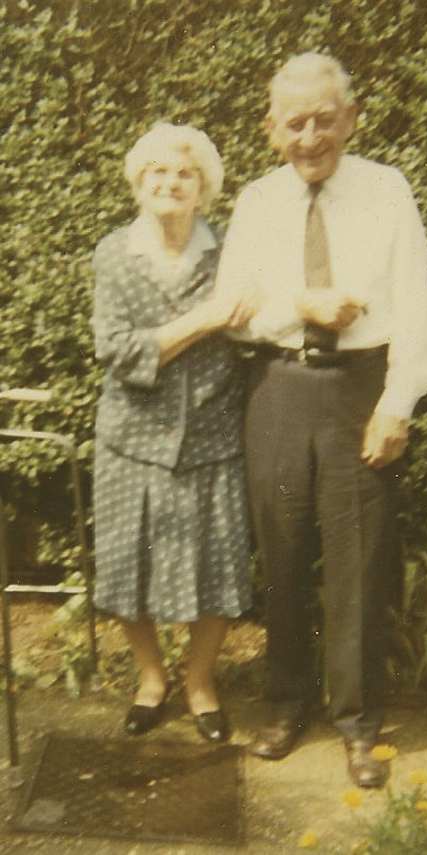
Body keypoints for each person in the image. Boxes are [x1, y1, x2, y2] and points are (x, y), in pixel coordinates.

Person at [216, 53, 427, 786]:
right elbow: (236, 315)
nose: (310, 136)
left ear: (351, 119)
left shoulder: (386, 190)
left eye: (323, 119)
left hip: (358, 391)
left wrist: (396, 405)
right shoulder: (254, 201)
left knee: (359, 562)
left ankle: (357, 722)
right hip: (277, 388)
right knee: (280, 557)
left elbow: (416, 307)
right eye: (294, 123)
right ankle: (284, 704)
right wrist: (299, 306)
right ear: (271, 129)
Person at [92, 122, 255, 742]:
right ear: (138, 182)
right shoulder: (113, 253)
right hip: (131, 439)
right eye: (157, 172)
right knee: (128, 565)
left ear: (203, 187)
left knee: (215, 566)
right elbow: (117, 348)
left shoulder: (229, 253)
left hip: (212, 436)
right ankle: (152, 681)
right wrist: (205, 319)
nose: (170, 182)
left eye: (184, 173)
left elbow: (257, 317)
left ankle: (200, 683)